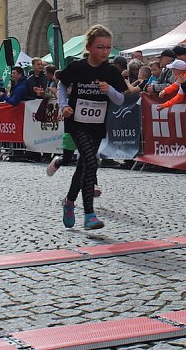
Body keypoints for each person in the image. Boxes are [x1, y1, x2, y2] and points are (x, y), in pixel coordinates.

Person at [57, 24, 127, 230]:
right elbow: (61, 84)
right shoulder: (77, 67)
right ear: (88, 47)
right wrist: (64, 105)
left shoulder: (111, 71)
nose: (105, 52)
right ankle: (89, 214)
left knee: (83, 167)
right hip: (76, 123)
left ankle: (69, 202)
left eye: (108, 47)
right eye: (100, 47)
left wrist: (109, 90)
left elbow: (121, 99)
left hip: (97, 124)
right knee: (89, 160)